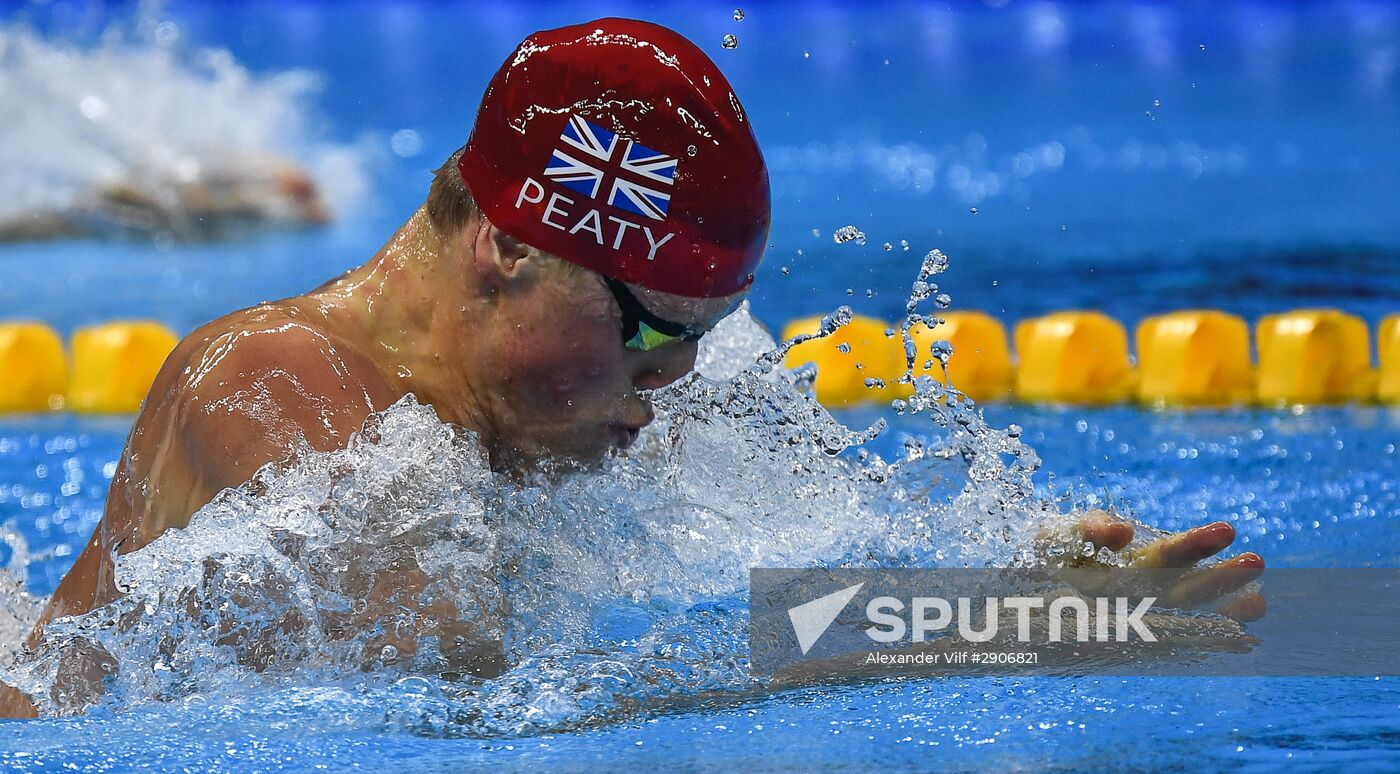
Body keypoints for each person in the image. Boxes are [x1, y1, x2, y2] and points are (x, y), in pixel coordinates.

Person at [0, 18, 1261, 718]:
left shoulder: (550, 402)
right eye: (652, 334)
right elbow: (474, 722)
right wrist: (974, 629)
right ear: (506, 244)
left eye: (702, 342)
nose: (669, 394)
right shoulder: (273, 383)